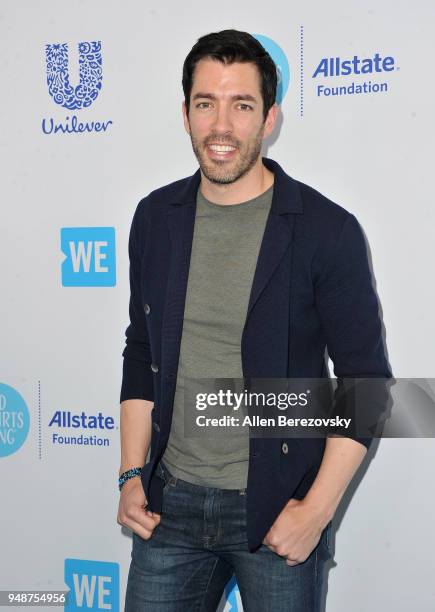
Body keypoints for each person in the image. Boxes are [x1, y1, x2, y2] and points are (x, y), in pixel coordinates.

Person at [117, 29, 391, 611]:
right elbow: (140, 352)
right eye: (205, 103)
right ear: (185, 113)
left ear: (269, 118)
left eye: (241, 105)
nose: (222, 126)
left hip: (277, 508)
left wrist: (314, 513)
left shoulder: (326, 230)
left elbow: (366, 385)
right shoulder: (154, 219)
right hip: (170, 508)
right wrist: (129, 474)